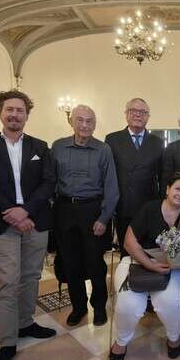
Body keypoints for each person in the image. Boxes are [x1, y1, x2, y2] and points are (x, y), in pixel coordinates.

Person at [0, 90, 56, 360]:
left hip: (34, 222)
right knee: (8, 281)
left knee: (31, 277)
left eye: (20, 111)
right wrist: (12, 211)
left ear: (27, 115)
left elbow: (48, 183)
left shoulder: (40, 147)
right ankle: (7, 343)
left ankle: (25, 322)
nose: (14, 115)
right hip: (1, 222)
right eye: (10, 110)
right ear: (0, 113)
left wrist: (26, 211)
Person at [109, 173, 180, 360]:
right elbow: (129, 242)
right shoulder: (150, 208)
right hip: (137, 262)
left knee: (169, 301)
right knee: (129, 304)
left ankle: (174, 337)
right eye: (177, 188)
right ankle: (121, 341)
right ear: (167, 190)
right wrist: (150, 265)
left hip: (171, 267)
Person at [52, 105, 119, 327]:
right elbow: (49, 182)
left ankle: (99, 307)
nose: (84, 125)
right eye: (80, 120)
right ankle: (78, 307)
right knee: (70, 263)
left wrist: (104, 218)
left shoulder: (104, 150)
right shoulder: (58, 147)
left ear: (95, 124)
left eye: (89, 121)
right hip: (65, 210)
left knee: (95, 263)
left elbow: (111, 188)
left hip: (93, 211)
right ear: (71, 122)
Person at [105, 98, 164, 256]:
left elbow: (162, 175)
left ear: (148, 116)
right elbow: (108, 176)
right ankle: (127, 280)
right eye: (133, 111)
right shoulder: (112, 139)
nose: (138, 115)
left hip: (149, 206)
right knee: (127, 251)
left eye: (143, 112)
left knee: (149, 250)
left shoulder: (157, 142)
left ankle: (146, 280)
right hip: (124, 206)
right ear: (126, 114)